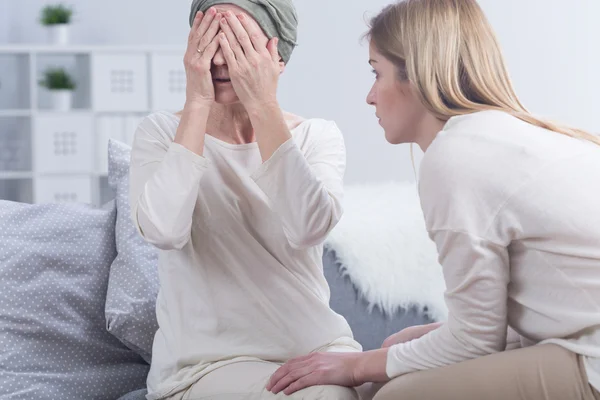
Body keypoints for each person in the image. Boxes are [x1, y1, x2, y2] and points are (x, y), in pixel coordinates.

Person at [266, 0, 600, 399]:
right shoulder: (507, 137)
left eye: (377, 73)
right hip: (583, 341)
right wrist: (404, 349)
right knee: (397, 353)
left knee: (395, 394)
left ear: (417, 75)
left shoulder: (457, 157)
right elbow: (531, 311)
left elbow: (476, 341)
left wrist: (356, 365)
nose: (370, 97)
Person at [128, 1, 362, 399]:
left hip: (318, 347)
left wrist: (262, 104)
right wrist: (197, 104)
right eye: (210, 38)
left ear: (278, 57)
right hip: (207, 365)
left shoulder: (317, 137)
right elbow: (164, 231)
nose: (222, 57)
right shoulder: (160, 133)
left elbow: (308, 226)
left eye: (240, 41)